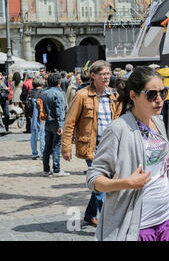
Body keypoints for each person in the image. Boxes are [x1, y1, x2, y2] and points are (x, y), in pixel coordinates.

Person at [86, 66, 169, 241]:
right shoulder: (118, 129)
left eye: (163, 93)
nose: (159, 100)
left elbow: (160, 169)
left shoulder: (158, 121)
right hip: (136, 226)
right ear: (134, 96)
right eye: (151, 94)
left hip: (168, 218)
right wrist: (126, 183)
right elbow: (93, 179)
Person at [62, 60, 122, 227]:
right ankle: (108, 221)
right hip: (92, 147)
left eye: (108, 74)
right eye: (103, 74)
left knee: (101, 181)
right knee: (102, 183)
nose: (106, 77)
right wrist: (66, 147)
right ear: (93, 76)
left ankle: (89, 215)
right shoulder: (82, 95)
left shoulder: (113, 95)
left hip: (110, 145)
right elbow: (69, 122)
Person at [42, 73, 69, 177]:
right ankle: (56, 169)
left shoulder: (44, 93)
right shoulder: (58, 93)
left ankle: (46, 169)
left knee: (47, 147)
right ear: (58, 83)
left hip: (47, 122)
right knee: (56, 146)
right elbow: (60, 110)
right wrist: (61, 125)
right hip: (56, 123)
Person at [29, 78, 46, 160]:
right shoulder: (43, 93)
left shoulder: (30, 93)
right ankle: (43, 153)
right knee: (42, 134)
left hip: (32, 116)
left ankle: (34, 153)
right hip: (41, 115)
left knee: (33, 134)